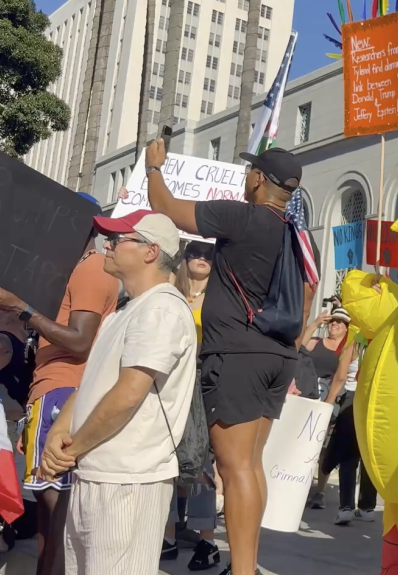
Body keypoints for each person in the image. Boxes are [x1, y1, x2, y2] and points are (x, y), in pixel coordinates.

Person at [144, 137, 313, 575]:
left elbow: (166, 208)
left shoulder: (242, 216)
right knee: (250, 466)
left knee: (234, 467)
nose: (243, 177)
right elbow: (308, 292)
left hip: (238, 355)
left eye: (248, 172)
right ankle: (246, 564)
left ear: (259, 179)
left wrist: (154, 169)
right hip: (276, 356)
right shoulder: (295, 232)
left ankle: (242, 571)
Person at [36, 210, 196, 575]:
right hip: (97, 471)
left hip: (129, 479)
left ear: (150, 251)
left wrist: (71, 449)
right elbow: (95, 381)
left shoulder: (162, 308)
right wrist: (61, 429)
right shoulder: (125, 311)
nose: (106, 244)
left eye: (118, 239)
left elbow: (128, 394)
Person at [0, 191, 118, 575]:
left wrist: (22, 310)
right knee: (52, 509)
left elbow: (80, 340)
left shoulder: (90, 269)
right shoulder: (81, 268)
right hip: (58, 391)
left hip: (63, 391)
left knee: (55, 508)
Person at [162, 240, 221, 571]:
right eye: (194, 252)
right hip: (171, 380)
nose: (201, 258)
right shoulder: (170, 293)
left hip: (203, 381)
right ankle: (168, 536)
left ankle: (208, 540)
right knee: (168, 457)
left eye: (208, 254)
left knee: (201, 463)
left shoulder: (218, 299)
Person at [312, 313, 377, 526]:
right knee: (370, 456)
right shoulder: (382, 339)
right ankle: (367, 507)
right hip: (374, 400)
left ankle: (346, 506)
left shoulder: (354, 340)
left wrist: (328, 402)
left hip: (351, 398)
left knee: (348, 455)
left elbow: (340, 377)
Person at [299, 308, 350, 402]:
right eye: (331, 321)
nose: (334, 323)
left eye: (338, 321)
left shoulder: (348, 349)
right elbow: (299, 347)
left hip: (332, 397)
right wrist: (315, 323)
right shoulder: (316, 342)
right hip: (308, 393)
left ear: (347, 328)